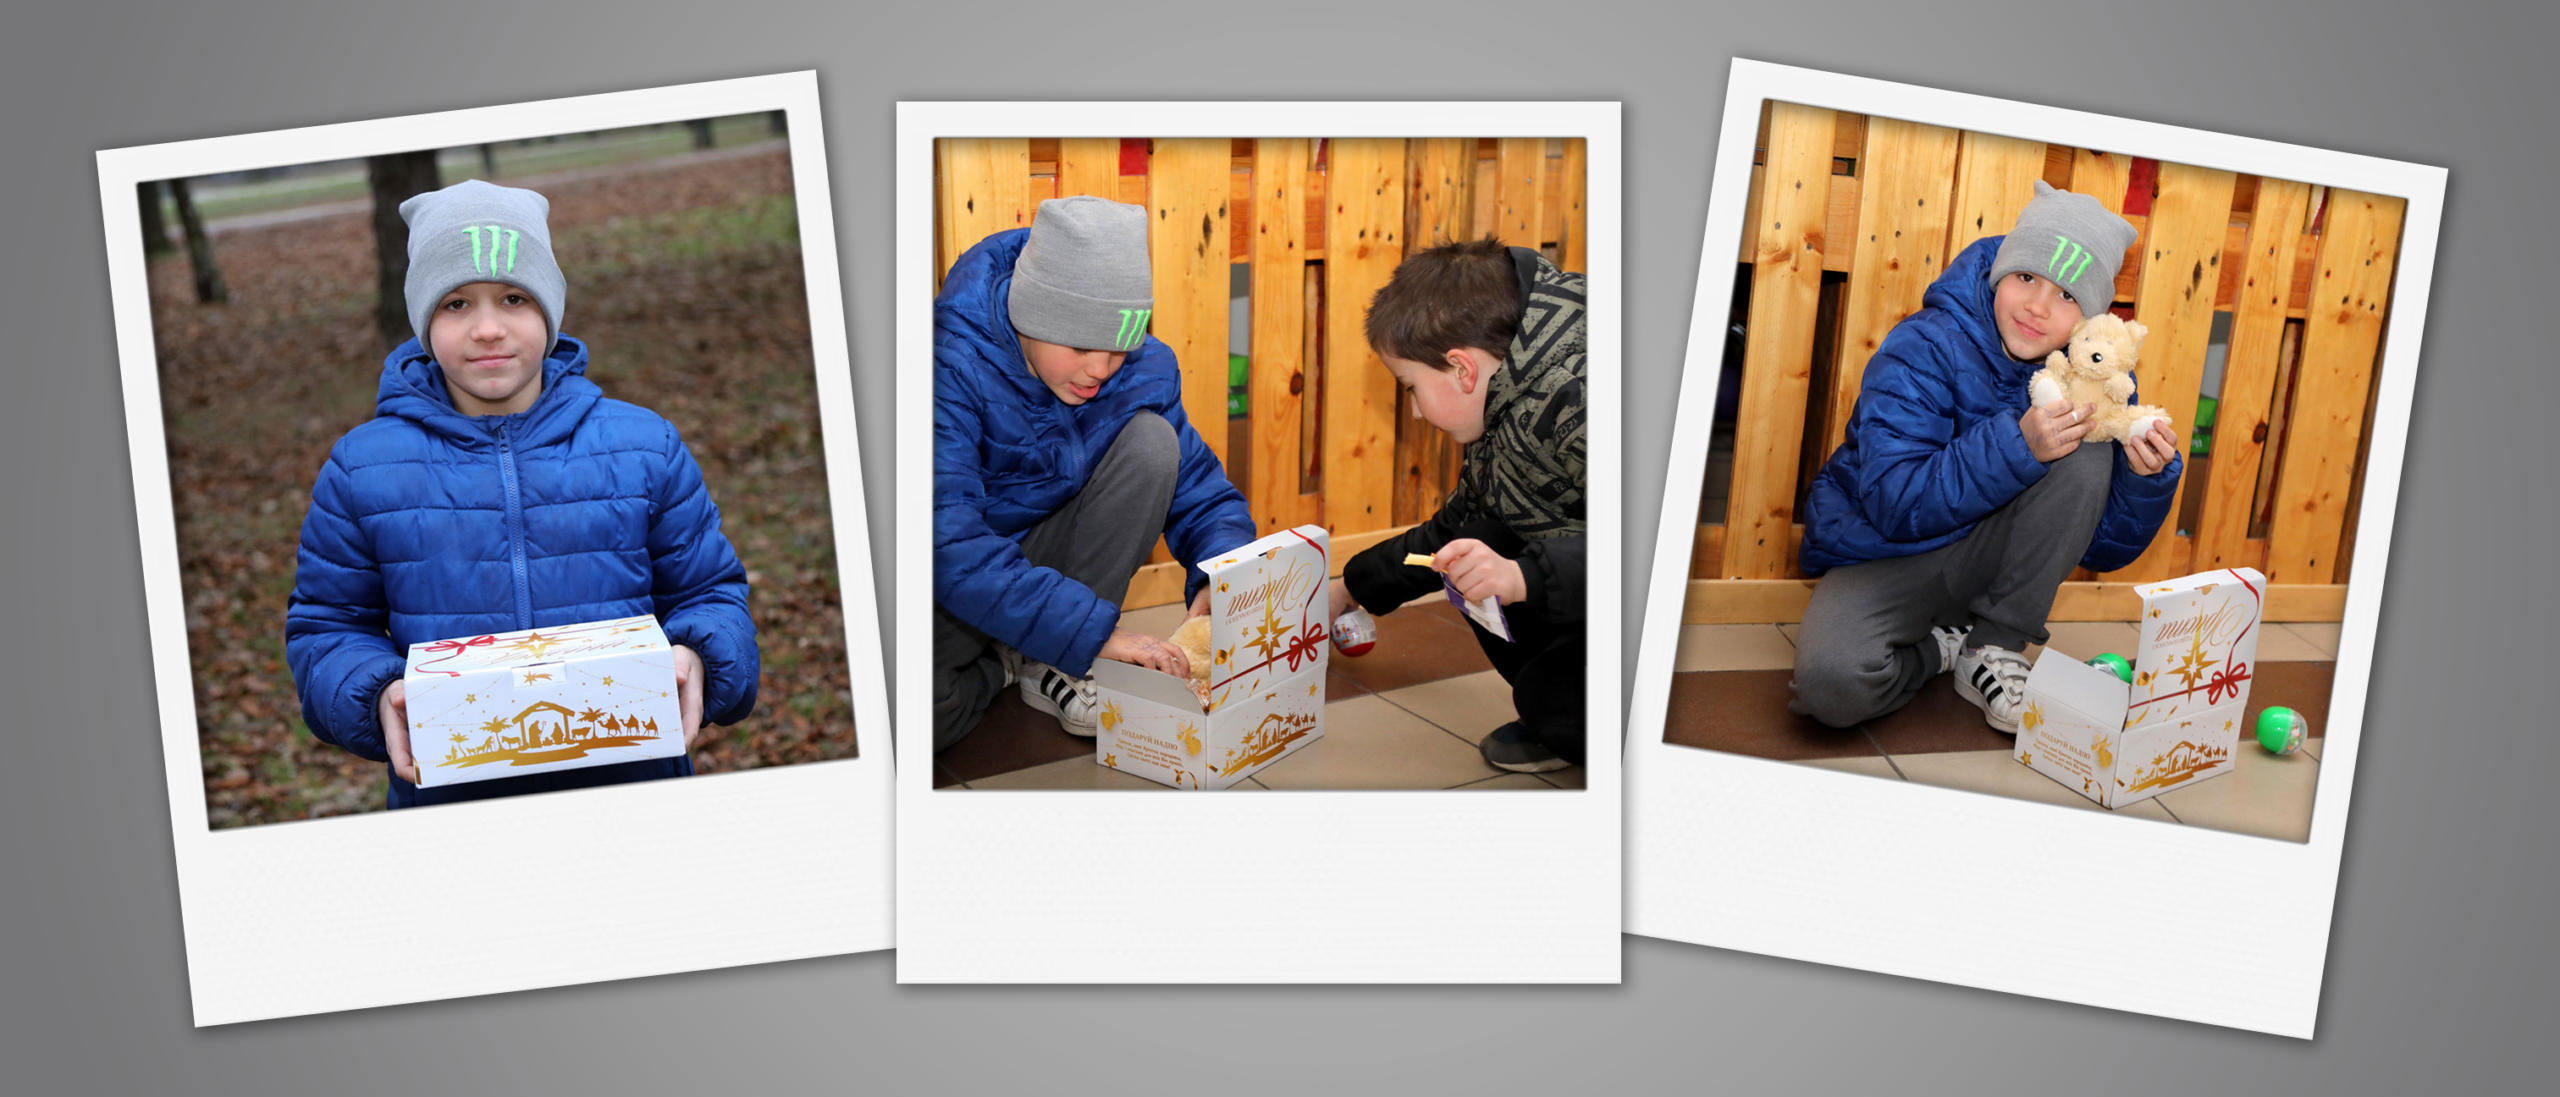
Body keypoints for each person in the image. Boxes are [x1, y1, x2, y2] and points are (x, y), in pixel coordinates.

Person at [286, 179, 758, 809]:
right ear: (423, 318)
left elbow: (710, 592)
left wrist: (702, 653)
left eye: (513, 298)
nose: (487, 329)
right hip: (452, 804)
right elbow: (327, 626)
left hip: (633, 792)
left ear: (549, 310)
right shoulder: (361, 469)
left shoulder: (645, 446)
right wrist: (371, 694)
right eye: (456, 304)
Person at [1790, 180, 2183, 733]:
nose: (2039, 307)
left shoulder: (2094, 376)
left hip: (1990, 561)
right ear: (2001, 272)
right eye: (2026, 278)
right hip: (1889, 553)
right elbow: (1893, 503)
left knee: (2086, 452)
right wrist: (2017, 445)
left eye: (2068, 296)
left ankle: (1994, 644)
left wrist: (2144, 482)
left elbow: (2097, 548)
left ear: (2090, 319)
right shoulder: (1923, 346)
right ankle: (1943, 649)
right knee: (1833, 684)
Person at [932, 196, 1257, 748]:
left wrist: (1219, 575)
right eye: (1081, 345)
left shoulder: (1141, 371)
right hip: (956, 583)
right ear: (1027, 313)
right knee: (912, 717)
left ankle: (1052, 659)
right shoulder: (948, 367)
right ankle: (1014, 662)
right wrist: (1093, 633)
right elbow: (947, 543)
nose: (1100, 370)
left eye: (1120, 347)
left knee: (1154, 444)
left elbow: (1200, 490)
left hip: (1036, 575)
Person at [1328, 238, 1588, 774]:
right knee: (1475, 547)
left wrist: (1523, 578)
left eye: (1411, 388)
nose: (1417, 413)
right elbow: (1455, 529)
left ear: (1462, 370)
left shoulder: (1583, 396)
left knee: (1553, 704)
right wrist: (1349, 589)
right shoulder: (1507, 391)